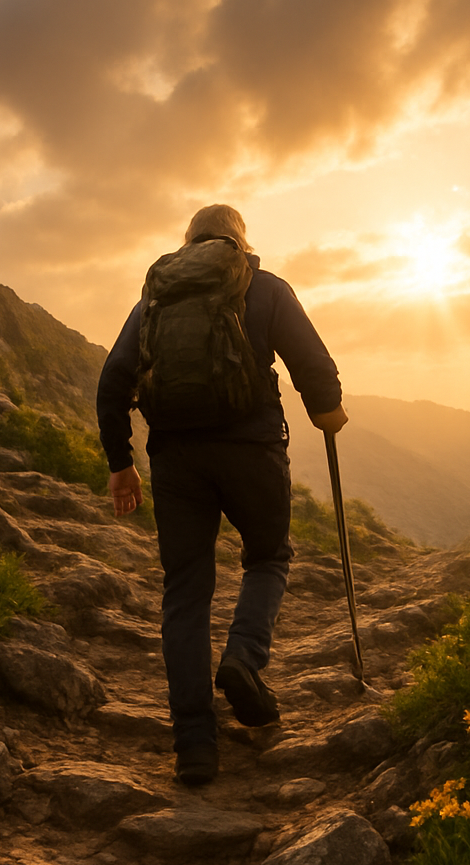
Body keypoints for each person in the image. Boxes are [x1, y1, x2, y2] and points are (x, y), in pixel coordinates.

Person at [96, 204, 347, 785]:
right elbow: (313, 363)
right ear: (241, 240)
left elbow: (114, 380)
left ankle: (194, 744)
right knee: (267, 557)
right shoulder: (264, 286)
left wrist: (120, 465)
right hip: (251, 451)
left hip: (176, 458)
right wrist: (327, 413)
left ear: (187, 243)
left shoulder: (156, 298)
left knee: (185, 590)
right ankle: (242, 659)